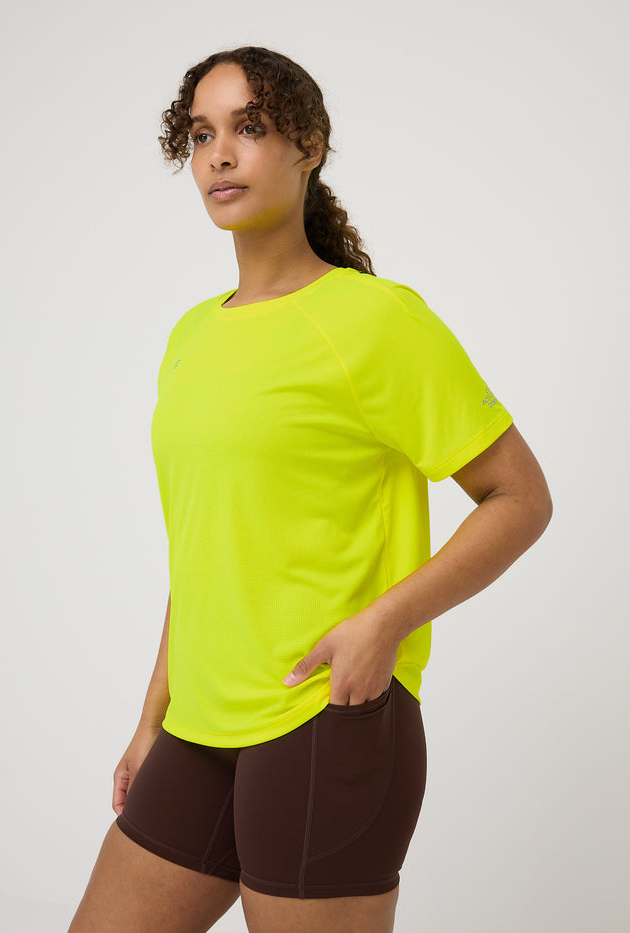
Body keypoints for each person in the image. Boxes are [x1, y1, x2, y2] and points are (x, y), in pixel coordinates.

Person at [68, 46, 552, 933]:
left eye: (249, 127)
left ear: (309, 145)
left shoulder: (375, 320)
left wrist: (383, 623)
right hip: (201, 727)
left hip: (325, 719)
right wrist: (151, 717)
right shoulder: (191, 337)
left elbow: (521, 497)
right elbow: (210, 545)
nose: (220, 154)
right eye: (201, 134)